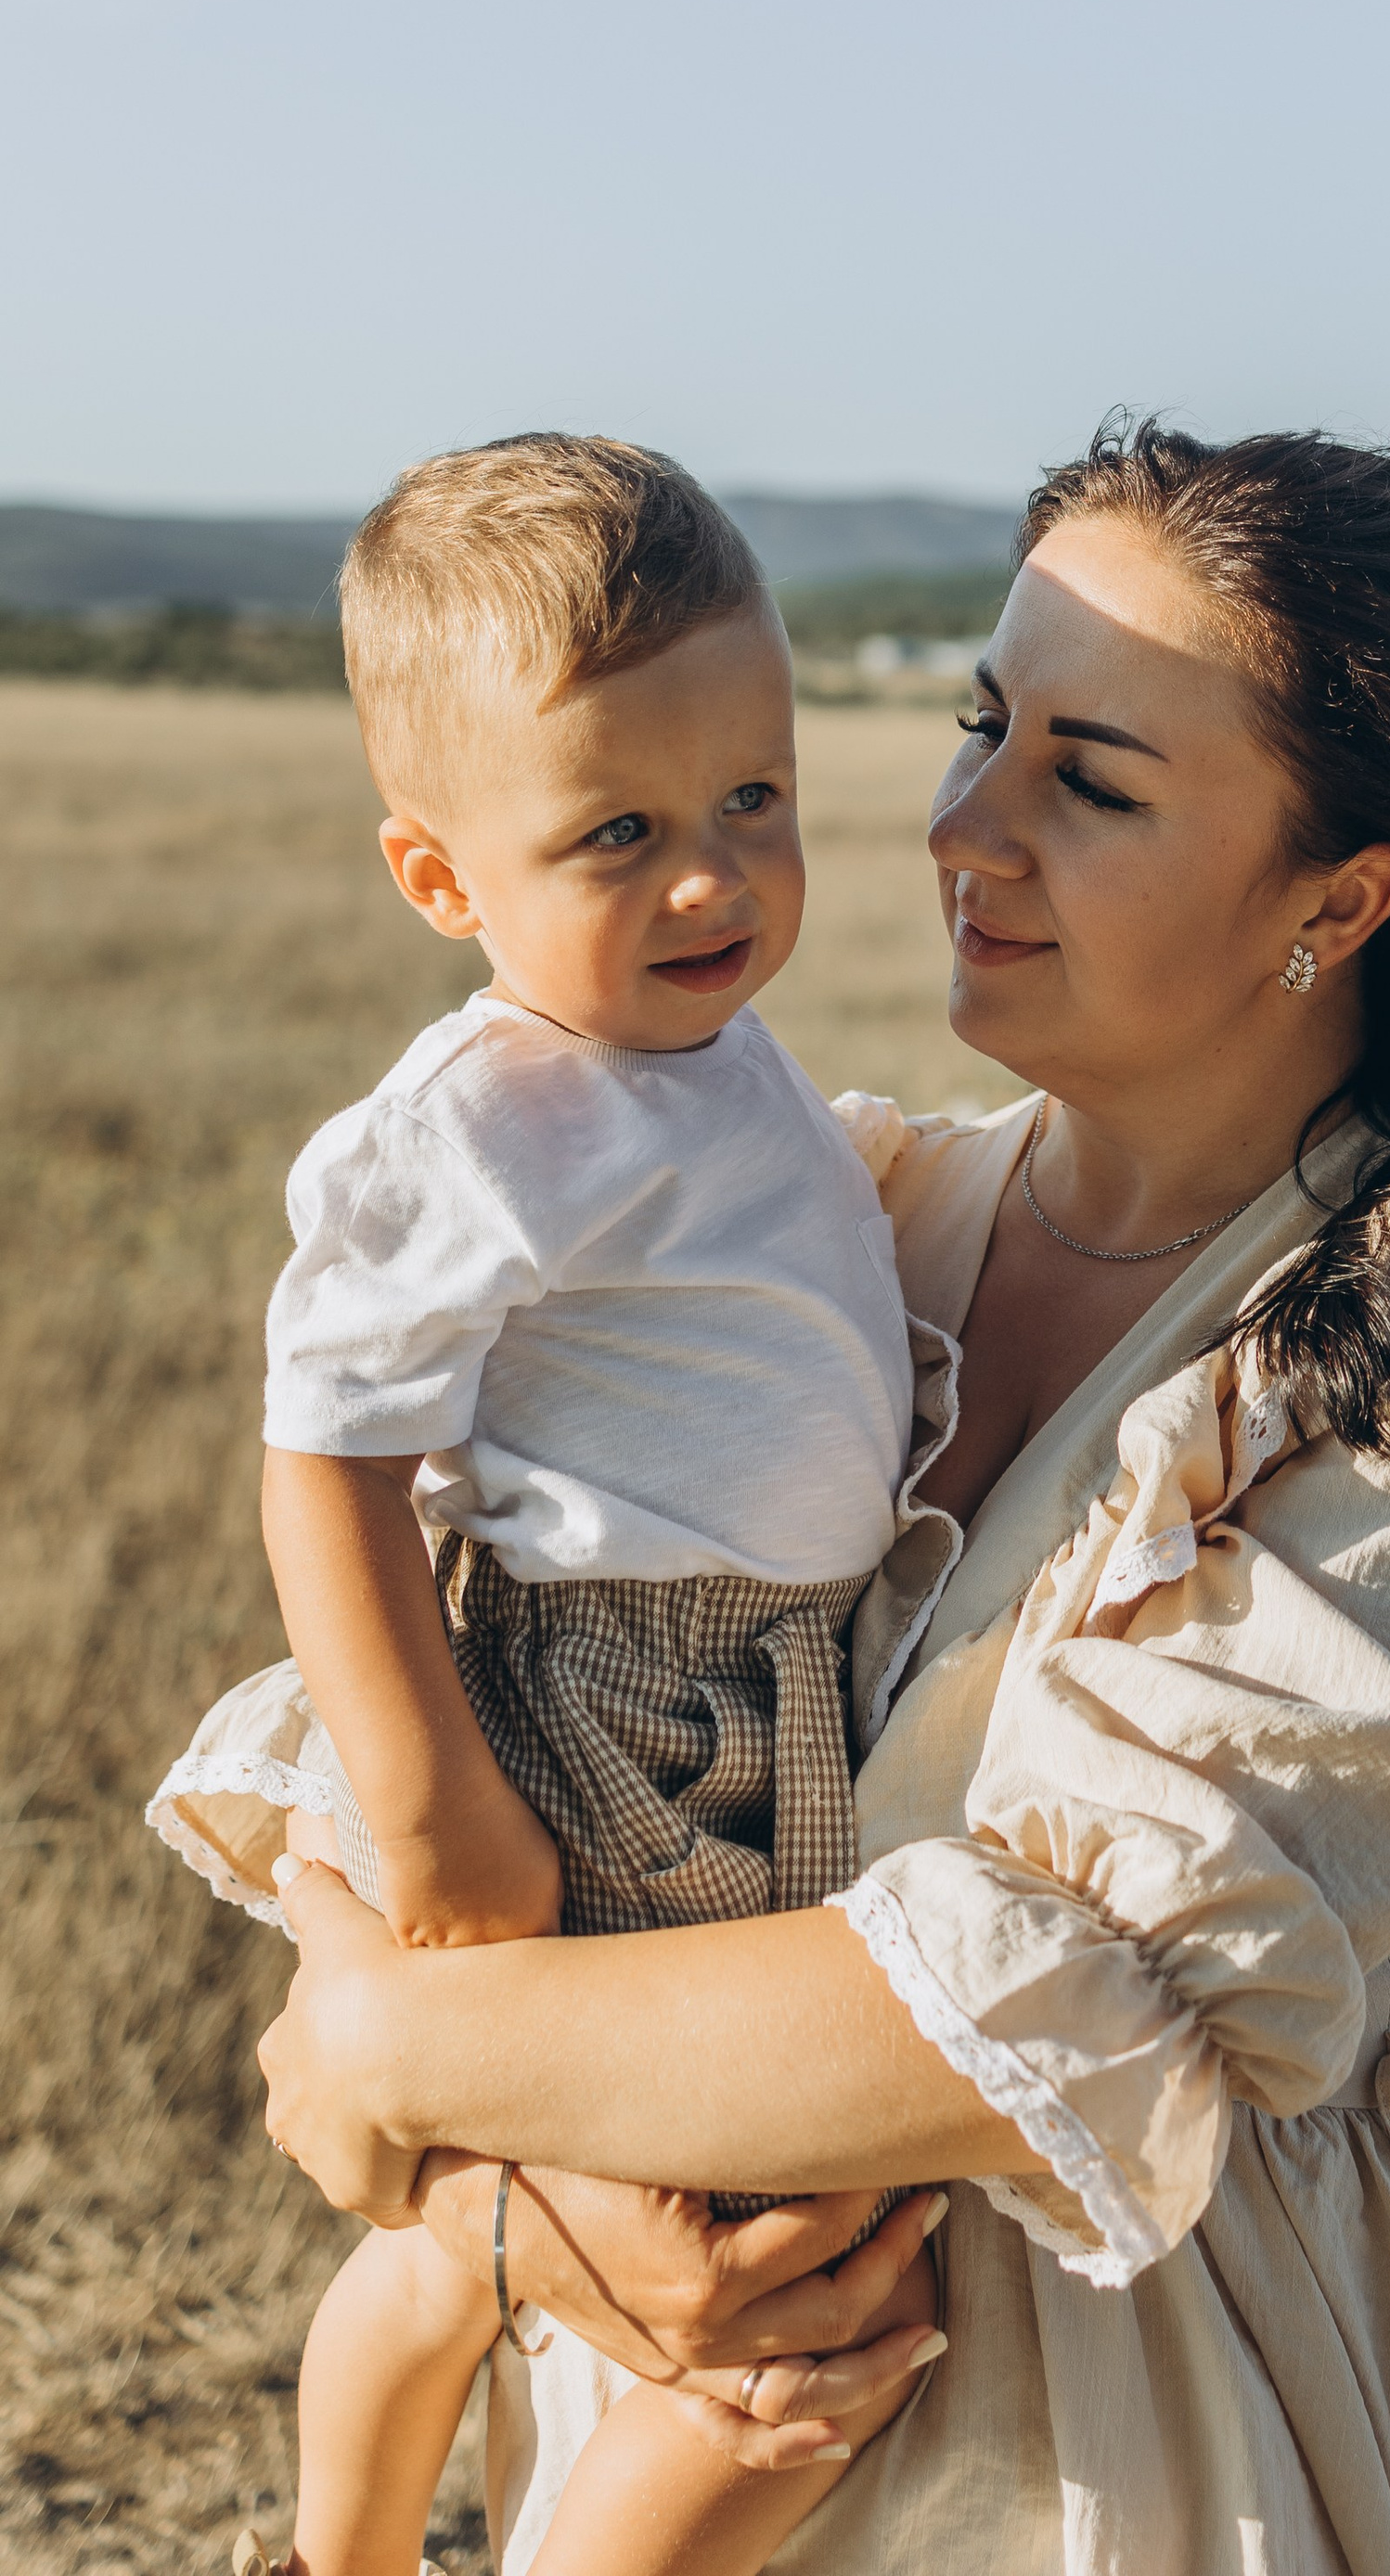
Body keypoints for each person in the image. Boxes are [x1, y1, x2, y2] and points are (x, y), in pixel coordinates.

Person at [257, 421, 1390, 2576]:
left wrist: (401, 2043)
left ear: (1336, 902)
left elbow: (1056, 2000)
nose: (958, 825)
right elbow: (440, 1687)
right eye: (982, 724)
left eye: (1088, 781)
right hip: (669, 2381)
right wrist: (500, 2209)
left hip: (1120, 2452)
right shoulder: (851, 1220)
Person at [150, 435, 939, 2576]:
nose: (712, 881)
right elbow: (325, 1450)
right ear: (440, 880)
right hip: (623, 1709)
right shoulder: (488, 1116)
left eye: (753, 799)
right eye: (619, 833)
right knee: (773, 2277)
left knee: (493, 2219)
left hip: (763, 1698)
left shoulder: (703, 1056)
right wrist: (430, 1808)